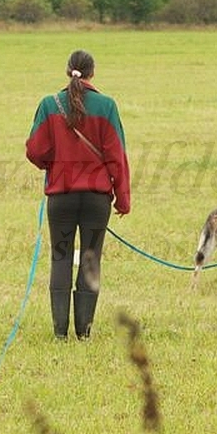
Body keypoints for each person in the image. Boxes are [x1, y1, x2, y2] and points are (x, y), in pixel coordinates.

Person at [26, 50, 130, 340]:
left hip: (61, 196)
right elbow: (117, 157)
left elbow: (35, 150)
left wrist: (52, 163)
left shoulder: (49, 104)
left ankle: (60, 333)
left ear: (68, 71)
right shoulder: (107, 105)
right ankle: (84, 333)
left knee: (60, 258)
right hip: (97, 199)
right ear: (92, 74)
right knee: (90, 259)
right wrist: (122, 199)